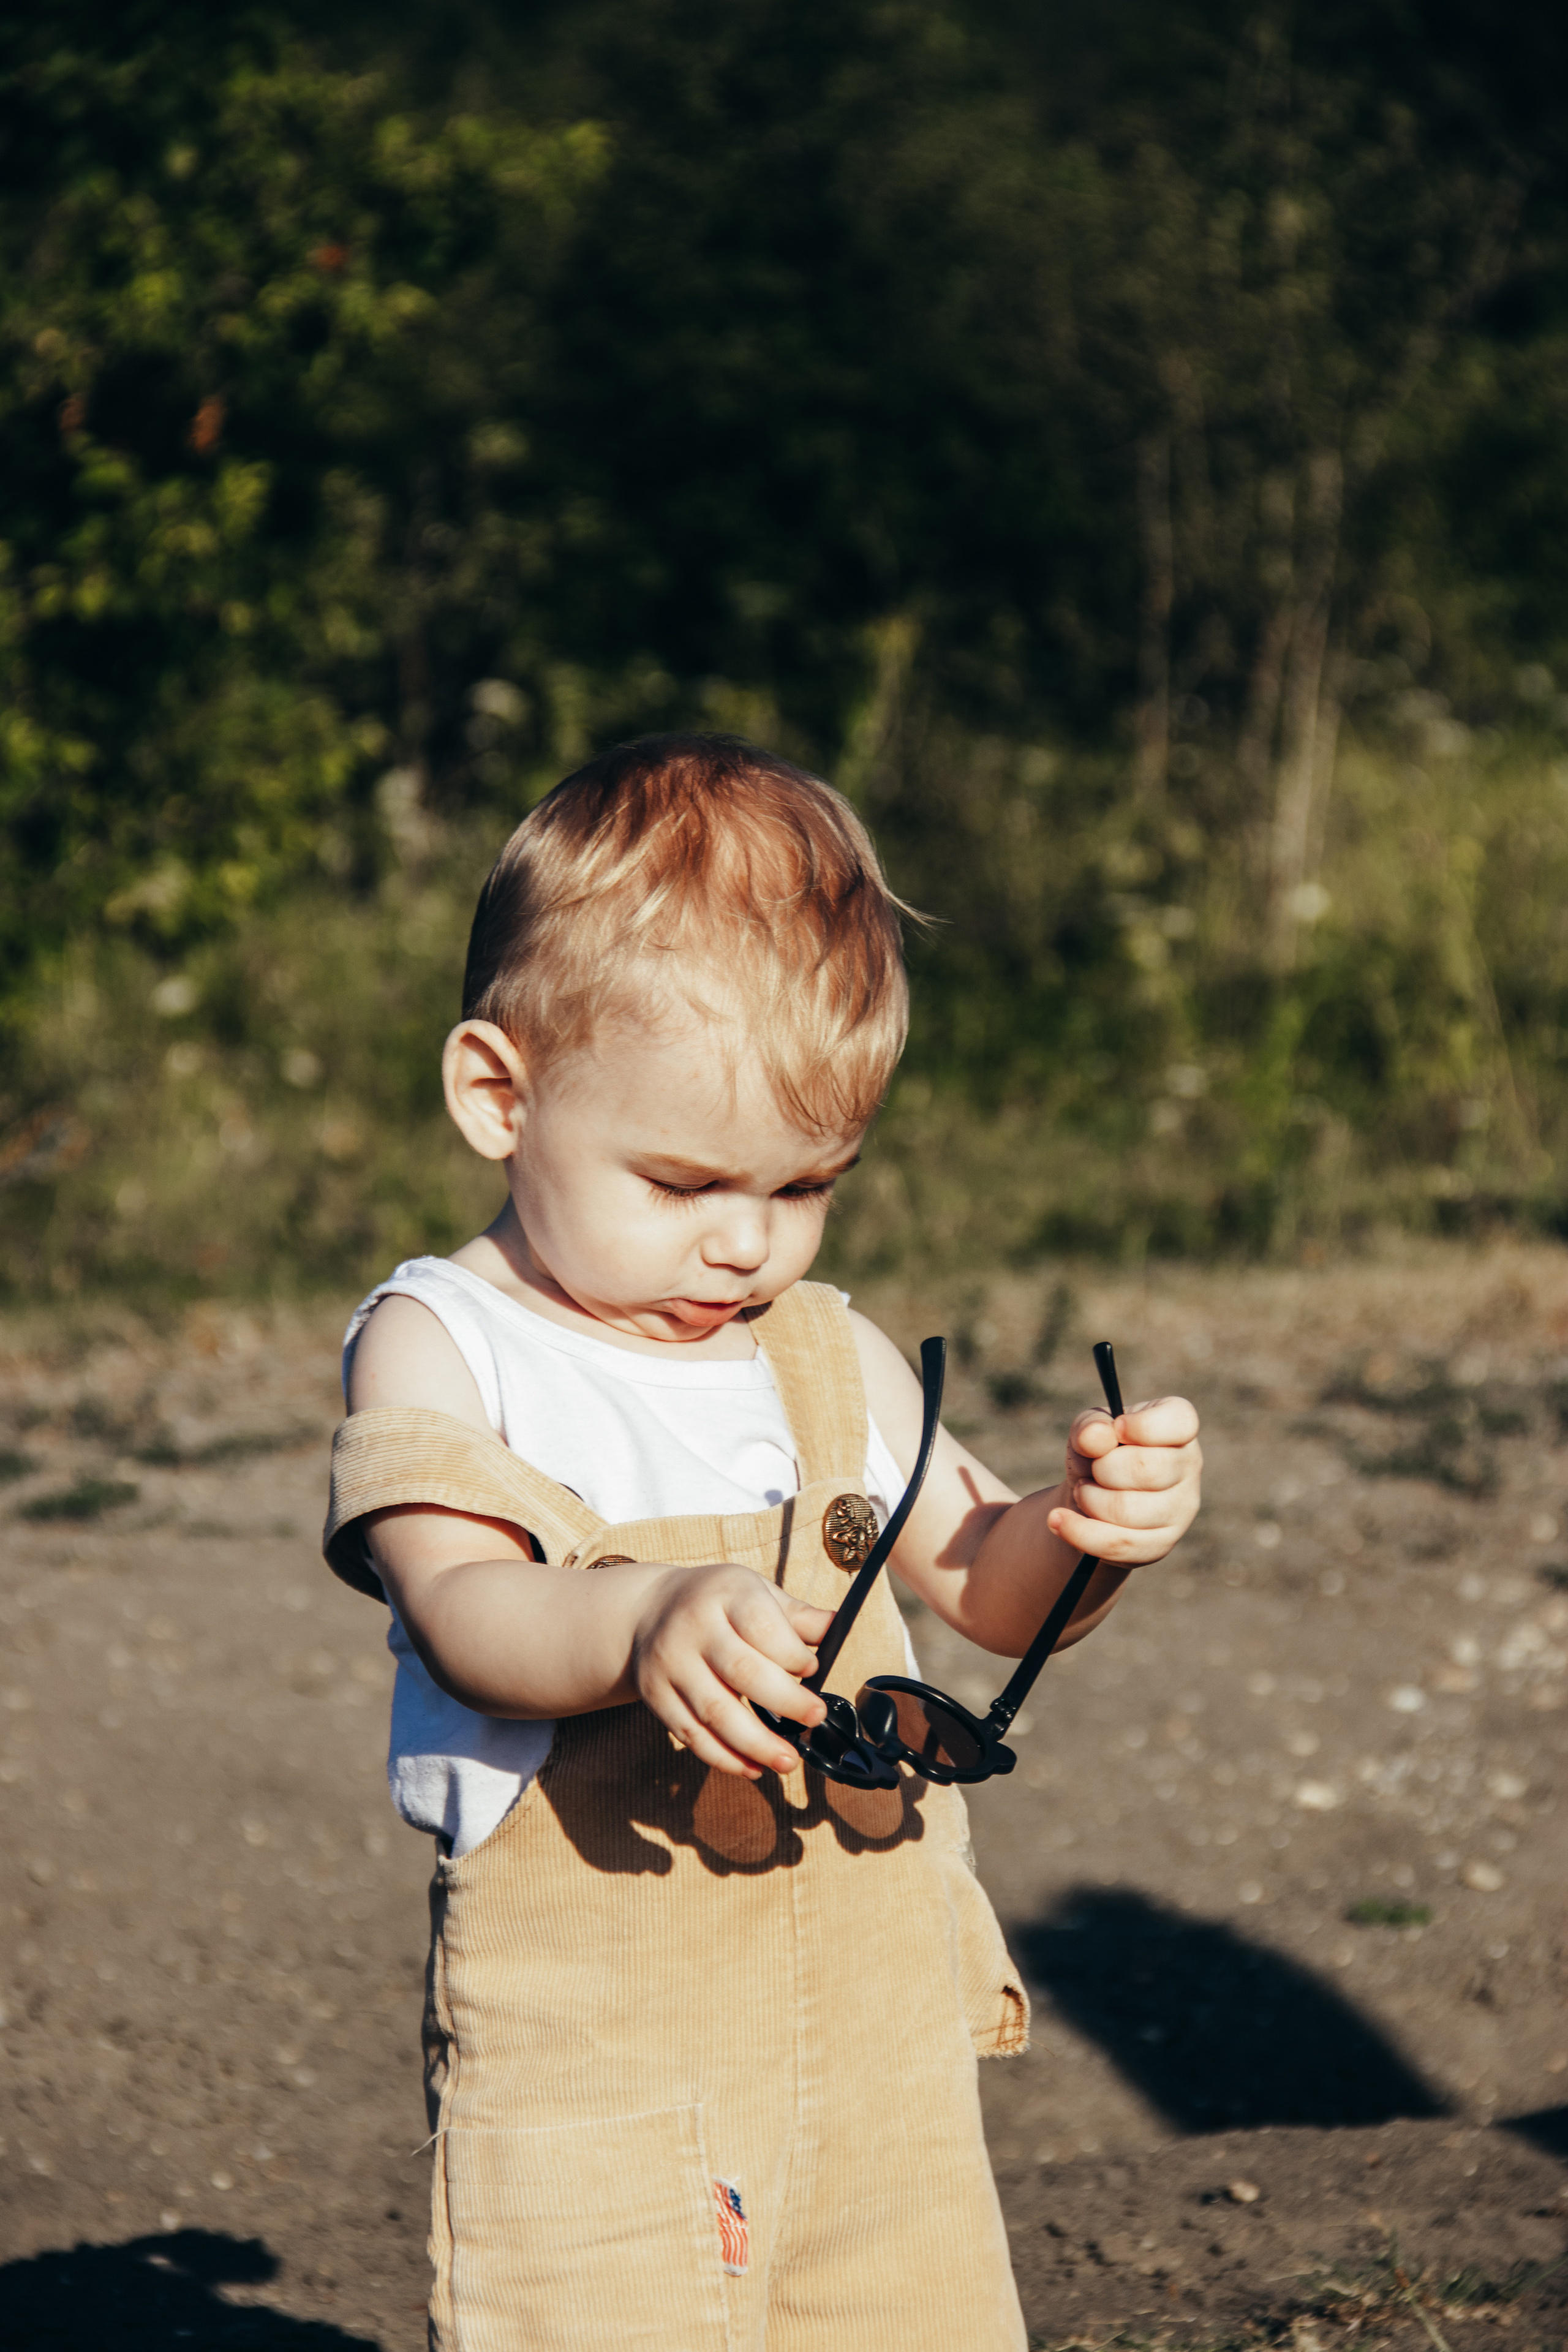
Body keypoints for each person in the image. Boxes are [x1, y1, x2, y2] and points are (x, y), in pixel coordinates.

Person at [323, 733, 1202, 2352]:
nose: (746, 1241)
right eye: (682, 1180)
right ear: (497, 1094)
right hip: (600, 2063)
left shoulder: (822, 1356)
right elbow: (462, 1605)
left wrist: (1090, 1538)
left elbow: (989, 1588)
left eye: (809, 1185)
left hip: (878, 2068)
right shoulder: (447, 1343)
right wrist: (644, 1618)